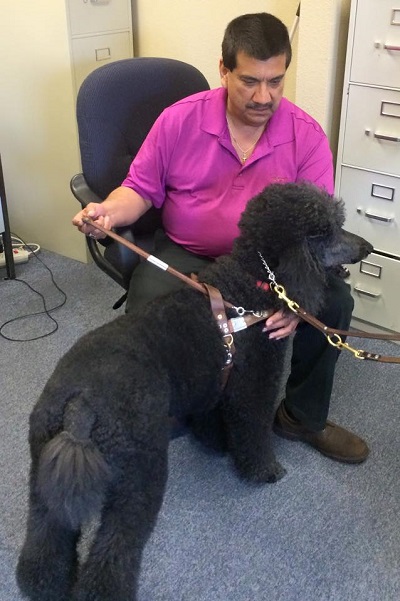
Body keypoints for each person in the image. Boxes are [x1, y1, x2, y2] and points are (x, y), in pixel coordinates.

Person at [73, 12, 369, 464]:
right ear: (224, 69)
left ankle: (301, 416)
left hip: (272, 265)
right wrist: (108, 212)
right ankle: (179, 404)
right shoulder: (178, 120)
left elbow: (311, 234)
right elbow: (138, 190)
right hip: (189, 252)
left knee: (334, 304)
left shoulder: (306, 137)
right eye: (250, 80)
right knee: (151, 304)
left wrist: (297, 301)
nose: (263, 96)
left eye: (276, 81)